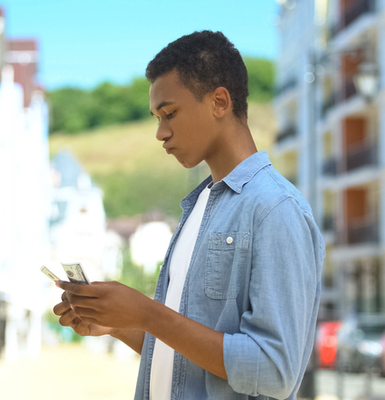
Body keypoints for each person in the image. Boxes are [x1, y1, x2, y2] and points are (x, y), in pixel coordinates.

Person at [53, 30, 325, 400]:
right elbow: (188, 362)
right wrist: (117, 324)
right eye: (156, 117)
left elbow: (275, 370)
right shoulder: (197, 208)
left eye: (169, 113)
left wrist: (148, 313)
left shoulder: (276, 209)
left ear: (219, 102)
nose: (160, 133)